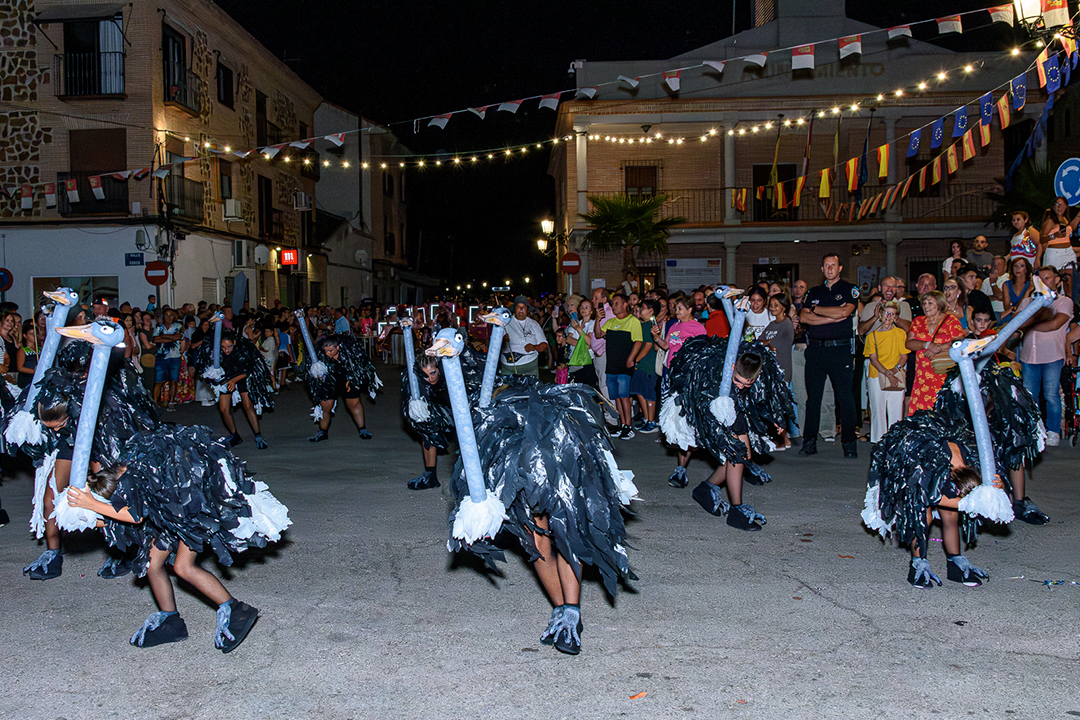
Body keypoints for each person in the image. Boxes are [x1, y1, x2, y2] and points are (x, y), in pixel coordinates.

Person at [65, 424, 289, 650]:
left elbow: (134, 516)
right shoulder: (118, 472)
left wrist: (91, 504)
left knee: (183, 568)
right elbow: (120, 515)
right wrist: (87, 513)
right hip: (170, 511)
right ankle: (170, 621)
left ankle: (236, 610)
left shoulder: (132, 478)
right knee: (153, 564)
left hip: (194, 510)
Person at [864, 412, 1002, 588]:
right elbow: (923, 496)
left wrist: (998, 487)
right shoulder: (927, 465)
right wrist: (970, 503)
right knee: (922, 515)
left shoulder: (972, 460)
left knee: (951, 515)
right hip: (911, 460)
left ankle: (955, 563)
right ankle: (917, 564)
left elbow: (996, 497)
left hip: (944, 453)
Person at [798, 253, 859, 459]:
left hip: (840, 350)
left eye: (833, 265)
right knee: (813, 398)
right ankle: (809, 443)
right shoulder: (814, 292)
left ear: (840, 268)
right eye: (826, 265)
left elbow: (845, 313)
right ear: (822, 269)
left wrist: (817, 312)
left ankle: (849, 444)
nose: (830, 268)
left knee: (845, 398)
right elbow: (804, 317)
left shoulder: (849, 289)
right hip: (816, 350)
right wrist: (829, 316)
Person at [652, 296, 707, 486]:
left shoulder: (698, 328)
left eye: (681, 308)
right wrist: (656, 337)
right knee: (675, 420)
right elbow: (667, 346)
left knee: (684, 420)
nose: (677, 312)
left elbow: (703, 353)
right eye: (676, 308)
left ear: (690, 309)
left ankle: (681, 470)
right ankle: (681, 466)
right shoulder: (674, 326)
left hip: (688, 378)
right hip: (671, 375)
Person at [1018, 266, 1073, 446]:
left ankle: (1053, 431)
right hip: (1028, 356)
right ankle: (1033, 429)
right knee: (1029, 395)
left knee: (1051, 395)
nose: (1044, 282)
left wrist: (1028, 324)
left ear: (1057, 280)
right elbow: (1016, 323)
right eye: (1040, 279)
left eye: (1048, 278)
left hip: (1052, 355)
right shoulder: (1027, 302)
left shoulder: (1064, 302)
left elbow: (1055, 324)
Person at [905, 290, 965, 415]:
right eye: (924, 303)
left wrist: (938, 348)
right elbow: (908, 343)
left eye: (930, 303)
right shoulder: (918, 321)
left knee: (943, 408)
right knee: (921, 411)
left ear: (939, 304)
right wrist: (927, 345)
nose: (926, 306)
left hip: (943, 371)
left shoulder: (951, 321)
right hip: (922, 375)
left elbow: (959, 342)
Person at [595, 293, 643, 439]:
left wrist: (631, 358)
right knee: (616, 397)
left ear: (625, 304)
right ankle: (623, 424)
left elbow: (638, 341)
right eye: (612, 304)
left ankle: (628, 426)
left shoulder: (633, 321)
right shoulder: (611, 322)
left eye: (616, 303)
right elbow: (598, 334)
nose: (613, 306)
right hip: (612, 365)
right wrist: (598, 319)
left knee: (624, 396)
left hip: (624, 364)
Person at [863, 301, 909, 443]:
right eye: (886, 313)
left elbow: (904, 355)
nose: (888, 317)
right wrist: (888, 373)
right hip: (877, 375)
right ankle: (879, 441)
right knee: (878, 410)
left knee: (896, 410)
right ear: (881, 314)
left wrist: (895, 371)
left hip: (896, 374)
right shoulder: (872, 336)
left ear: (896, 317)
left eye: (892, 314)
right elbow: (873, 359)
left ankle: (894, 441)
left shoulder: (900, 333)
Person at [759, 293, 795, 449]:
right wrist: (766, 343)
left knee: (778, 405)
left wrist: (767, 343)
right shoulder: (772, 325)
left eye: (776, 305)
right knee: (773, 405)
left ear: (784, 307)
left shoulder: (786, 324)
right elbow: (760, 341)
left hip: (782, 369)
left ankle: (781, 440)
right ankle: (784, 439)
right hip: (770, 370)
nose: (772, 308)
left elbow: (776, 345)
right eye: (771, 305)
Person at [630, 299, 660, 434]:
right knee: (639, 391)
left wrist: (637, 359)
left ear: (651, 311)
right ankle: (646, 418)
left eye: (642, 308)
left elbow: (648, 345)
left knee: (648, 393)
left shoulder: (650, 326)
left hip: (647, 365)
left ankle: (652, 421)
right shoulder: (642, 325)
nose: (640, 310)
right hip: (641, 365)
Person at [1040, 196, 1080, 296]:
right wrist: (1054, 235)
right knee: (1053, 281)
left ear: (1066, 206)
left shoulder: (1065, 220)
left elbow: (1071, 227)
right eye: (1057, 204)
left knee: (1068, 280)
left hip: (1068, 253)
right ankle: (1054, 304)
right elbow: (1042, 239)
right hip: (1055, 254)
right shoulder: (1050, 222)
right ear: (1053, 207)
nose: (1059, 207)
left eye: (1062, 204)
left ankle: (1069, 305)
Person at [500, 296, 547, 378]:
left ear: (527, 309)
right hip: (509, 367)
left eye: (523, 307)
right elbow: (494, 342)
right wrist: (502, 340)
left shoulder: (534, 324)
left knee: (530, 389)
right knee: (509, 390)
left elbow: (543, 345)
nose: (521, 309)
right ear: (514, 309)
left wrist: (534, 347)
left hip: (529, 365)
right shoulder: (505, 323)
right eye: (518, 307)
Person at [152, 308, 183, 411]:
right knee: (158, 380)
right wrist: (172, 337)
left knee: (173, 380)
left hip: (175, 356)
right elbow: (156, 339)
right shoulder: (159, 327)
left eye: (171, 315)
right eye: (166, 315)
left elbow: (178, 337)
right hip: (161, 357)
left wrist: (163, 337)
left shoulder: (178, 326)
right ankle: (155, 403)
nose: (169, 317)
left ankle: (171, 401)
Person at [565, 299, 598, 387]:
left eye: (586, 307)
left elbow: (590, 342)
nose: (583, 309)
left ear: (591, 311)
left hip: (587, 360)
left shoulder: (593, 324)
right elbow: (568, 339)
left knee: (588, 387)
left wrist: (578, 329)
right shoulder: (576, 322)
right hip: (574, 358)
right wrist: (583, 345)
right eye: (581, 307)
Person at [1001, 256, 1034, 325]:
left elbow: (1029, 305)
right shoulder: (1007, 284)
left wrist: (1028, 291)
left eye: (1021, 266)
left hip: (1027, 313)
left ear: (1026, 269)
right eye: (1015, 266)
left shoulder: (1031, 284)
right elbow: (1006, 306)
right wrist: (1013, 309)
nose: (1018, 268)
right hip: (1013, 312)